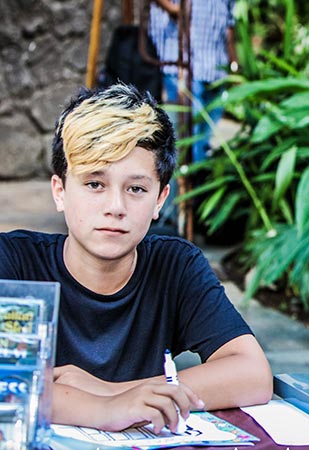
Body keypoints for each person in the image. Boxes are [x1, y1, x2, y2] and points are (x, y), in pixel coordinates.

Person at [0, 84, 272, 432]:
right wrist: (102, 409)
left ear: (160, 199)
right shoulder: (14, 264)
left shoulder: (175, 266)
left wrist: (115, 393)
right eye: (95, 184)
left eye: (136, 189)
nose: (115, 207)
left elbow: (252, 374)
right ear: (60, 191)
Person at [149, 0, 237, 164]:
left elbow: (229, 23)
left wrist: (234, 63)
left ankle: (196, 175)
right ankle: (179, 177)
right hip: (182, 63)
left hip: (217, 66)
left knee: (205, 135)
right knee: (184, 134)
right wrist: (174, 10)